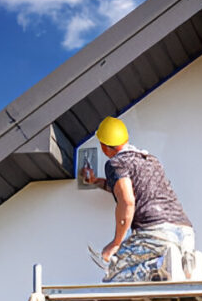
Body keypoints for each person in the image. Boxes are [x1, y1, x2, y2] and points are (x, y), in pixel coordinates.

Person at [81, 115, 195, 282]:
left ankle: (161, 266)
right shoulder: (150, 160)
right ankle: (185, 259)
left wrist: (116, 242)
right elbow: (127, 187)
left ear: (104, 146)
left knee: (114, 272)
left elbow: (127, 201)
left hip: (155, 233)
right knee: (165, 261)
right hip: (185, 231)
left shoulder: (116, 163)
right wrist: (95, 181)